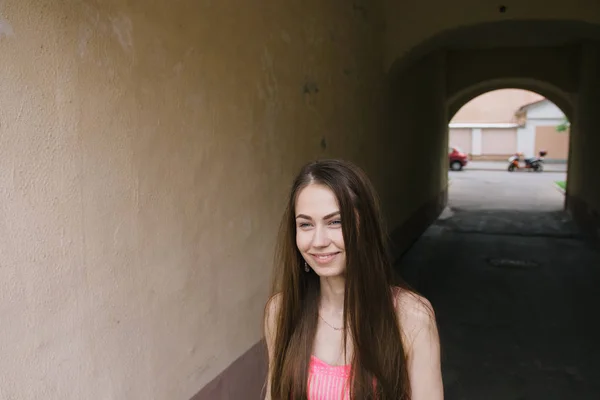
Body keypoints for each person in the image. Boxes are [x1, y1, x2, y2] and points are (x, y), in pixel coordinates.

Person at [263, 159, 443, 400]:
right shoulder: (281, 311)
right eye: (305, 224)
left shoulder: (411, 317)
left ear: (365, 226)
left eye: (335, 222)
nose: (318, 241)